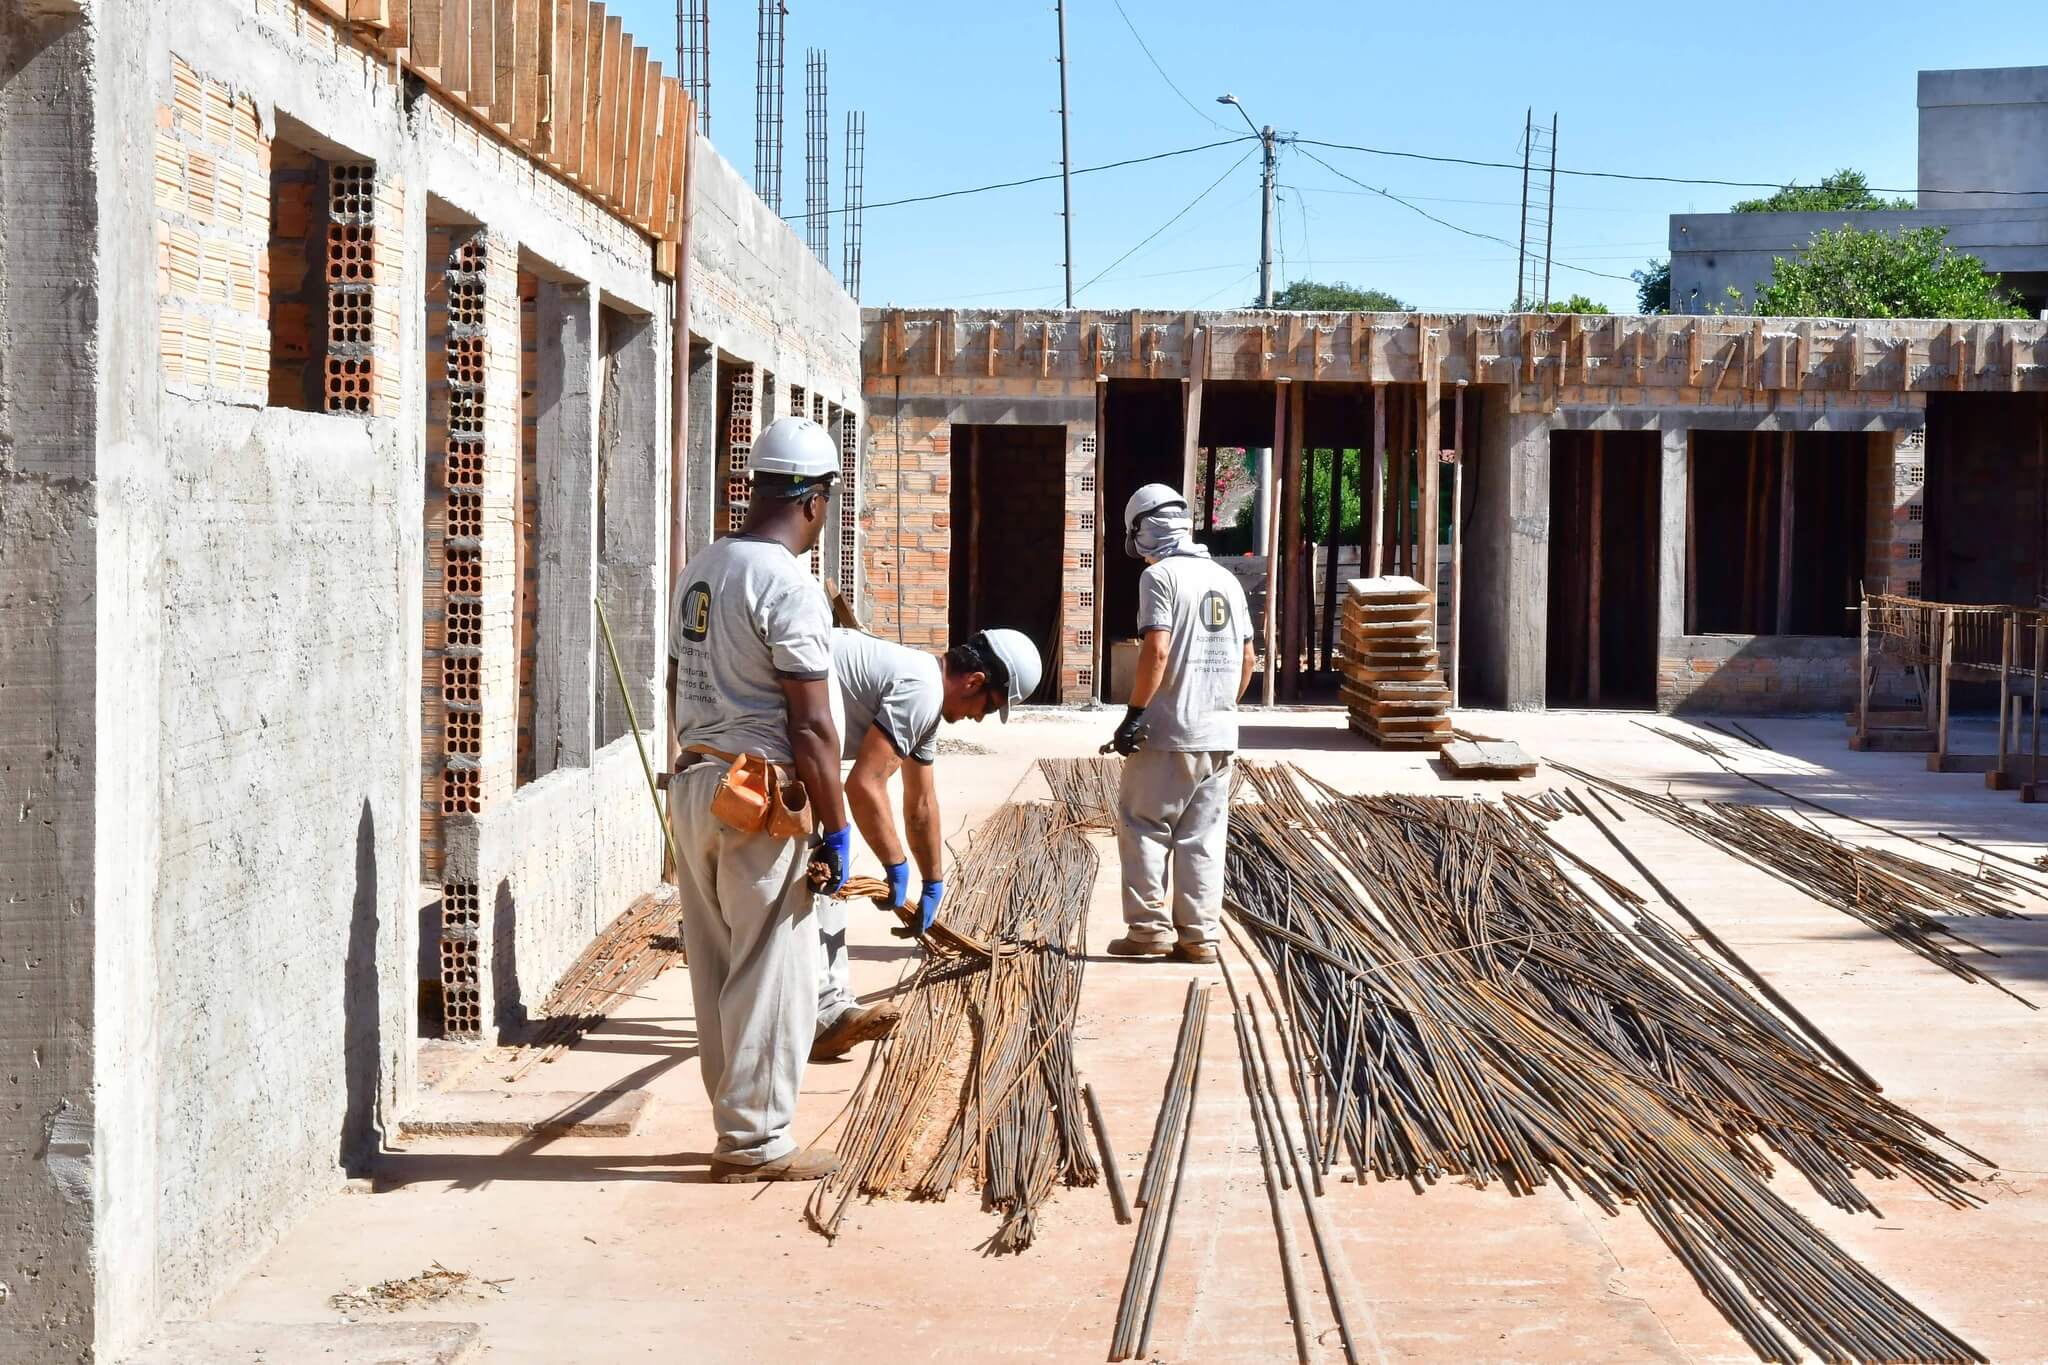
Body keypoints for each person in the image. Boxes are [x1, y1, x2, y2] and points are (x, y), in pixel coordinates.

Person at [665, 416, 851, 1183]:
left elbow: (678, 683)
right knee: (774, 967)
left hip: (696, 781)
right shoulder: (787, 584)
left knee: (715, 966)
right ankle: (754, 1140)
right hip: (758, 799)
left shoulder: (701, 568)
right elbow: (811, 723)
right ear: (813, 500)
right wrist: (836, 830)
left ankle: (736, 1120)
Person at [811, 626, 1043, 1060]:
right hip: (766, 739)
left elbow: (921, 802)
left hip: (795, 745)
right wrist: (895, 866)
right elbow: (864, 785)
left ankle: (826, 1012)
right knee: (822, 884)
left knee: (822, 888)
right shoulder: (921, 689)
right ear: (974, 681)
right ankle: (826, 1015)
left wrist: (933, 881)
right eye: (988, 708)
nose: (979, 719)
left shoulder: (924, 693)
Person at [1104, 483, 1256, 966]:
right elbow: (1249, 658)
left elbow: (1157, 648)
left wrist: (1134, 714)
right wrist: (1219, 707)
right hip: (1219, 736)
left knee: (1144, 825)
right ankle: (1200, 938)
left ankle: (1148, 932)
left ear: (1142, 531)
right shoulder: (1226, 579)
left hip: (1167, 733)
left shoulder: (1160, 579)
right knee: (1203, 837)